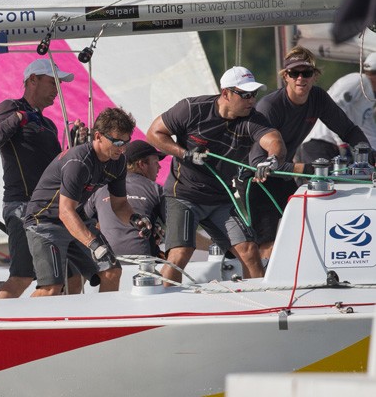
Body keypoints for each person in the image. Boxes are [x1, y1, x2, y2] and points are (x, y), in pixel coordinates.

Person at [147, 66, 286, 286]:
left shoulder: (253, 119)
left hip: (221, 199)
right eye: (245, 94)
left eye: (254, 94)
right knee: (180, 253)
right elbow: (154, 133)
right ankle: (164, 306)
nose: (251, 100)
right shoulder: (192, 109)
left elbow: (274, 140)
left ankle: (261, 309)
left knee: (250, 251)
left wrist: (273, 159)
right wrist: (185, 154)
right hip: (184, 195)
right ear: (226, 94)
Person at [238, 46, 372, 260]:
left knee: (305, 230)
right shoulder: (270, 106)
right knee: (268, 243)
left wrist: (367, 158)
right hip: (256, 177)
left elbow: (349, 130)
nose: (301, 78)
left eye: (306, 73)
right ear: (286, 77)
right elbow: (258, 162)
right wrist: (306, 168)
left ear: (314, 76)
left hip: (283, 173)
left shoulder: (318, 98)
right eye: (294, 73)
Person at [0, 58, 87, 298]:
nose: (57, 91)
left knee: (73, 277)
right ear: (32, 81)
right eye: (53, 83)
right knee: (22, 277)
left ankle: (58, 330)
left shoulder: (48, 124)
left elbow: (52, 167)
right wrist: (17, 118)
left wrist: (75, 145)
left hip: (47, 210)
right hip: (22, 207)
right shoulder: (10, 107)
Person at [25, 107, 153, 296]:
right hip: (44, 222)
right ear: (98, 136)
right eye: (117, 142)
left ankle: (104, 322)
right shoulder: (79, 162)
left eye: (126, 142)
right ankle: (25, 322)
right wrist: (94, 244)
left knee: (112, 271)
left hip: (74, 219)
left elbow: (119, 205)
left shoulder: (118, 161)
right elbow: (65, 211)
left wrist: (135, 219)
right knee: (51, 288)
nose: (123, 148)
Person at [84, 140, 166, 258]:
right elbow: (177, 226)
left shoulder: (100, 187)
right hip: (143, 260)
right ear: (141, 164)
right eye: (156, 162)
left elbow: (81, 220)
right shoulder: (156, 189)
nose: (159, 167)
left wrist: (100, 225)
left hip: (106, 260)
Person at [298, 51, 376, 162]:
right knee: (321, 178)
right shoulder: (359, 81)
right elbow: (334, 109)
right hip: (320, 142)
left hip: (335, 147)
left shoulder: (369, 95)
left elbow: (368, 129)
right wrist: (342, 143)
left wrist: (373, 153)